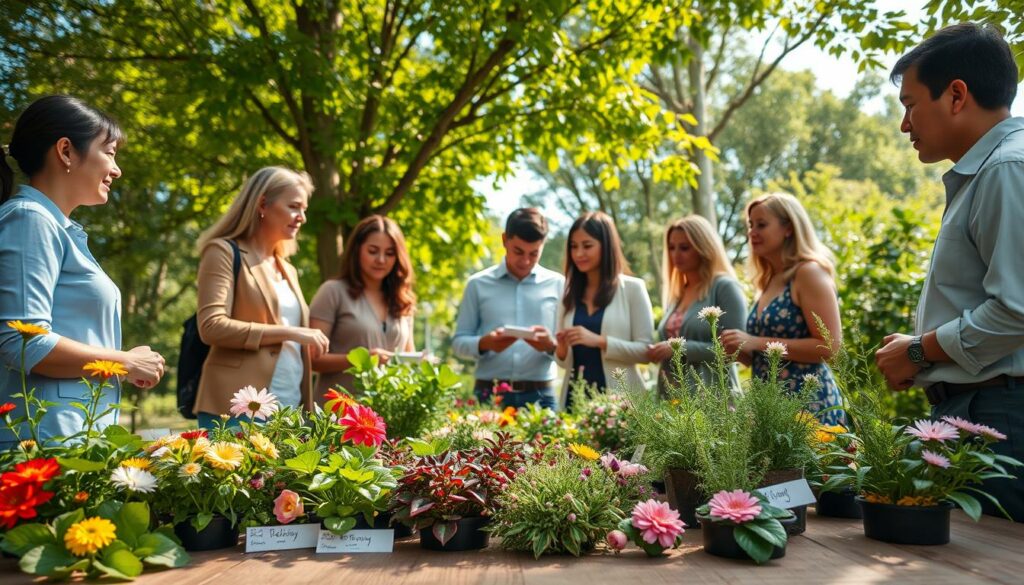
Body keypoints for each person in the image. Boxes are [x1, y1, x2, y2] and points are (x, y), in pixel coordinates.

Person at [875, 23, 1024, 522]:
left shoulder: (1006, 169)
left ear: (956, 94)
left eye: (910, 105)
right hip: (981, 410)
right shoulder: (992, 171)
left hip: (999, 416)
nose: (905, 125)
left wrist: (919, 349)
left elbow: (1015, 312)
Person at [0, 95, 165, 446]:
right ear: (66, 151)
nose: (116, 170)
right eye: (110, 152)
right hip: (43, 447)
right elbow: (21, 343)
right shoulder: (31, 219)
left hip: (71, 439)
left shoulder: (55, 228)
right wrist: (125, 362)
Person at [194, 167, 328, 428]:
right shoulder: (222, 251)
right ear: (263, 204)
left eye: (305, 210)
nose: (302, 217)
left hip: (289, 408)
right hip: (235, 408)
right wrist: (291, 332)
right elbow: (211, 326)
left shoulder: (287, 268)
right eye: (293, 206)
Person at [721, 192, 845, 425]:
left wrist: (755, 342)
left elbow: (831, 347)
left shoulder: (808, 273)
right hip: (772, 410)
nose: (752, 232)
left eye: (762, 224)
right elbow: (769, 358)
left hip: (810, 408)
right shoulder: (768, 281)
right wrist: (741, 351)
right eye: (750, 225)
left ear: (788, 228)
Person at [452, 208, 563, 409]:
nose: (525, 261)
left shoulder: (558, 285)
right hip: (489, 394)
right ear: (504, 240)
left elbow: (568, 349)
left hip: (542, 396)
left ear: (543, 246)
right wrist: (484, 344)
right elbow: (458, 343)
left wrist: (551, 345)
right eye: (518, 251)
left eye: (534, 253)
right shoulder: (477, 284)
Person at [309, 215, 416, 400]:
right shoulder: (332, 292)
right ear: (357, 250)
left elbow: (408, 358)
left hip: (389, 416)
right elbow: (312, 360)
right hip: (337, 416)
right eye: (373, 251)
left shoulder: (403, 300)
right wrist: (362, 359)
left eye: (390, 253)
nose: (381, 260)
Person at [555, 211, 654, 409]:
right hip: (575, 402)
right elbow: (564, 363)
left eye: (587, 245)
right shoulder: (567, 295)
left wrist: (599, 341)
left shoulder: (633, 289)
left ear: (606, 246)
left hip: (623, 405)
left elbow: (646, 352)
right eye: (573, 247)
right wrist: (561, 350)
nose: (579, 254)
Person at [647, 215, 747, 394]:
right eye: (671, 247)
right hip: (674, 399)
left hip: (716, 398)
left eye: (684, 247)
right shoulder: (678, 294)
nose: (675, 254)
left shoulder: (724, 287)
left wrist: (681, 348)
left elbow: (737, 351)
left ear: (703, 247)